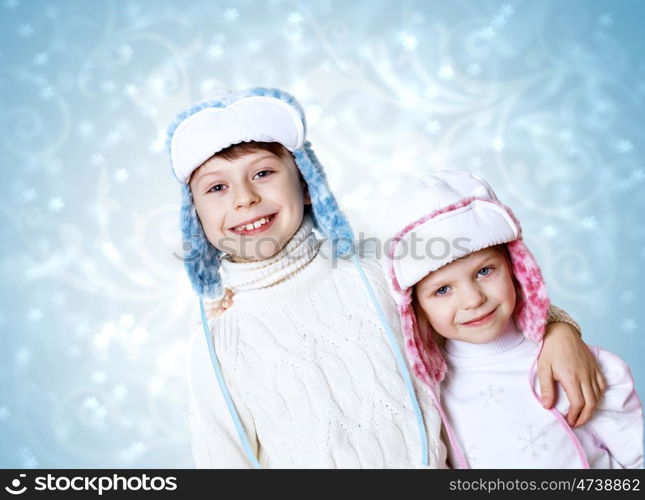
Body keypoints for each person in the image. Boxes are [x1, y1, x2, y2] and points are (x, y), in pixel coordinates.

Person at [167, 87, 603, 468]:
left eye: (263, 172)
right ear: (195, 214)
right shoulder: (219, 342)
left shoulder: (376, 270)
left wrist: (558, 329)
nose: (245, 198)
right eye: (216, 188)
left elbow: (478, 308)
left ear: (304, 183)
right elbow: (222, 461)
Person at [382, 171, 643, 468]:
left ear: (515, 267)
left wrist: (558, 329)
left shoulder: (574, 365)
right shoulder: (429, 394)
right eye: (442, 290)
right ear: (415, 307)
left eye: (484, 271)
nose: (473, 299)